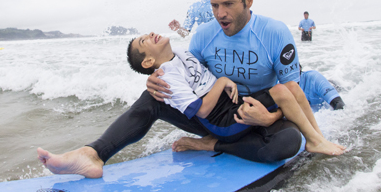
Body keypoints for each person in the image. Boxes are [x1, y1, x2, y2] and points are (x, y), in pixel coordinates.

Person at [38, 0, 333, 179]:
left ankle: (211, 145)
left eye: (228, 4)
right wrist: (155, 78)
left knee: (288, 144)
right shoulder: (204, 35)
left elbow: (291, 91)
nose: (220, 14)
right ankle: (93, 154)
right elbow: (189, 76)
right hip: (218, 115)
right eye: (215, 5)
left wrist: (269, 118)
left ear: (249, 0)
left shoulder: (274, 32)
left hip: (262, 115)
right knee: (152, 96)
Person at [125, 32, 344, 155]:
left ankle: (318, 138)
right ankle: (314, 141)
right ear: (148, 61)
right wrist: (221, 82)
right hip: (221, 120)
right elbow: (201, 111)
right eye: (144, 40)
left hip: (232, 104)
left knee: (292, 89)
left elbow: (200, 42)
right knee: (280, 92)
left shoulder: (181, 53)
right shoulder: (167, 78)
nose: (151, 34)